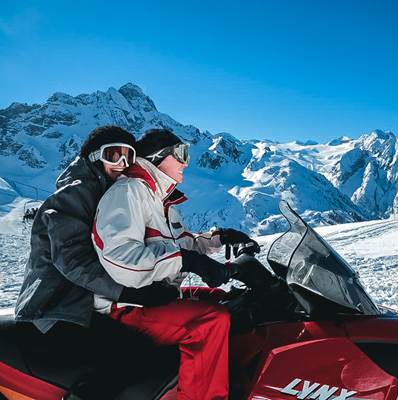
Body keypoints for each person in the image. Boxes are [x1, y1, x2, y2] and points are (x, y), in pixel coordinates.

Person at [14, 125, 179, 399]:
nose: (123, 164)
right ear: (93, 157)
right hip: (50, 315)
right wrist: (129, 292)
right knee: (137, 354)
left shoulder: (107, 194)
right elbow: (72, 260)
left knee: (150, 350)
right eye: (114, 155)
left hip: (77, 310)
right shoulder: (74, 195)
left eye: (129, 157)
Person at [92, 128, 255, 400]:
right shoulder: (130, 191)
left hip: (155, 295)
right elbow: (120, 260)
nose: (186, 162)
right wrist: (186, 262)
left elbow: (182, 244)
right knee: (209, 322)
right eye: (181, 153)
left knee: (228, 301)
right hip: (126, 304)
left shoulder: (160, 200)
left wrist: (219, 238)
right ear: (157, 157)